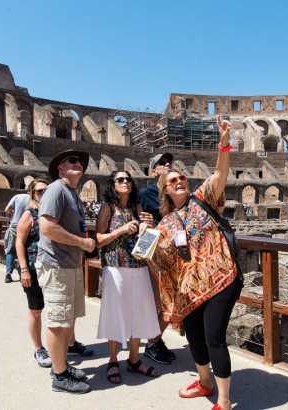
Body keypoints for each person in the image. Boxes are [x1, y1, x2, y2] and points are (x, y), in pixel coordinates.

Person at [150, 115, 241, 410]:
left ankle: (224, 401)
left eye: (182, 178)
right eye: (172, 180)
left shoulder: (203, 198)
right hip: (190, 289)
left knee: (214, 337)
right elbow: (165, 264)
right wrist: (148, 249)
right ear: (164, 189)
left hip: (221, 277)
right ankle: (204, 382)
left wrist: (224, 143)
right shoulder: (164, 224)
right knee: (196, 338)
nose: (179, 182)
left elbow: (220, 174)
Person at [37, 149, 96, 394]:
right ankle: (60, 376)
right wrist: (82, 243)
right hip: (56, 264)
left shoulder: (73, 193)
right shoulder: (56, 189)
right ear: (60, 169)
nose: (79, 164)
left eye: (81, 162)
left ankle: (61, 365)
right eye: (72, 161)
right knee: (58, 322)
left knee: (67, 320)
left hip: (70, 264)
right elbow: (47, 227)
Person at [96, 170, 160, 384]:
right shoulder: (107, 208)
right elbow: (98, 239)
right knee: (116, 312)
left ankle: (134, 359)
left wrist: (147, 225)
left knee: (139, 312)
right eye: (120, 179)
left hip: (138, 265)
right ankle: (113, 359)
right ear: (112, 184)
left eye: (128, 179)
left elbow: (147, 234)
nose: (125, 182)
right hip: (115, 267)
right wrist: (121, 230)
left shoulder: (137, 208)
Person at [137, 152, 177, 365]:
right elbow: (139, 220)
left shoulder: (177, 189)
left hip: (176, 253)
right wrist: (145, 225)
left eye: (169, 162)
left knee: (174, 300)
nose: (167, 164)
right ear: (153, 171)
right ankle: (153, 343)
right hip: (155, 254)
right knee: (161, 300)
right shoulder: (147, 193)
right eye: (161, 163)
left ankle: (155, 340)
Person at [15, 177, 52, 368]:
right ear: (32, 195)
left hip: (53, 268)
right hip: (32, 267)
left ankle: (67, 344)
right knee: (36, 309)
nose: (43, 194)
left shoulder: (53, 214)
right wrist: (23, 270)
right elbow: (19, 242)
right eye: (39, 191)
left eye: (47, 190)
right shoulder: (29, 215)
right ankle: (39, 349)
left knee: (57, 309)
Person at [3, 191, 31, 283]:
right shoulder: (32, 199)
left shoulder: (17, 196)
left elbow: (7, 209)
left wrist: (13, 212)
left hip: (14, 226)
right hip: (27, 226)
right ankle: (25, 272)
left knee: (11, 250)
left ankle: (8, 275)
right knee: (25, 249)